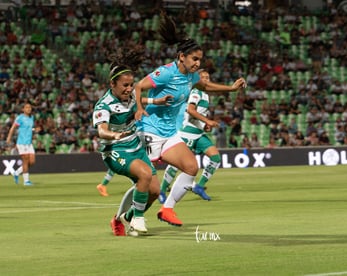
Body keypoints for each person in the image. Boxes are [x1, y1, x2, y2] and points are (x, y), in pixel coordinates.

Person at [132, 11, 246, 227]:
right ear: (181, 57)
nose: (197, 63)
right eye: (195, 59)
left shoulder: (191, 76)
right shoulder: (165, 73)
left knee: (191, 167)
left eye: (200, 59)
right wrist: (139, 107)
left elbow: (207, 85)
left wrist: (231, 88)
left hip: (169, 134)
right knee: (150, 187)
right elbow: (138, 86)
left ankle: (167, 210)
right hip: (149, 132)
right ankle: (126, 217)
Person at [92, 46, 170, 237]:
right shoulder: (104, 105)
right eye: (125, 85)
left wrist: (157, 102)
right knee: (144, 174)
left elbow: (139, 100)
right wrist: (113, 135)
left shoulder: (130, 97)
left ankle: (124, 217)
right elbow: (101, 130)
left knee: (154, 190)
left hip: (136, 147)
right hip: (115, 150)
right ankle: (137, 223)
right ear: (112, 84)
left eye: (131, 85)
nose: (129, 89)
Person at [159, 70, 222, 203]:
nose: (205, 80)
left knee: (215, 157)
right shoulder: (196, 92)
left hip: (199, 134)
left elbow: (196, 115)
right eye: (202, 77)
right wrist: (207, 121)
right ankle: (162, 191)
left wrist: (205, 125)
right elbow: (190, 110)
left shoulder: (205, 95)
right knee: (176, 165)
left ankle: (199, 186)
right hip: (187, 134)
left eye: (207, 77)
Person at [6, 102, 38, 186]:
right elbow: (13, 127)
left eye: (30, 107)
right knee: (25, 160)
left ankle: (17, 173)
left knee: (32, 161)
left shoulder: (32, 117)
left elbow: (29, 128)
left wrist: (34, 130)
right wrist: (9, 137)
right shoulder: (20, 118)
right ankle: (26, 181)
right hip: (21, 143)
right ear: (23, 109)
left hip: (29, 143)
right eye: (27, 107)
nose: (29, 109)